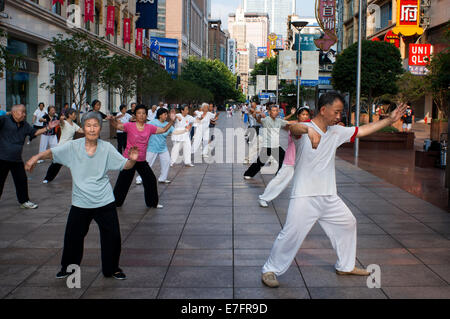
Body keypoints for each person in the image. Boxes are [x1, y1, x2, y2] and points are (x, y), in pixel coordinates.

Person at [261, 92, 408, 288]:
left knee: (348, 223)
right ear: (323, 110)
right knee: (290, 234)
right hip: (305, 195)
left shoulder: (336, 132)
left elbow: (362, 130)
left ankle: (345, 266)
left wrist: (389, 119)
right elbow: (293, 127)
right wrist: (307, 130)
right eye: (337, 112)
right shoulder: (304, 130)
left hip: (329, 196)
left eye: (341, 113)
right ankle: (270, 269)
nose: (339, 117)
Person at [25, 112, 139, 280]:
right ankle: (68, 268)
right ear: (83, 128)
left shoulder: (106, 148)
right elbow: (51, 152)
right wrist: (35, 157)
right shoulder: (73, 147)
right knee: (73, 238)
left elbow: (125, 165)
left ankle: (112, 268)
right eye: (88, 125)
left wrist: (133, 160)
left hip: (104, 201)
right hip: (80, 202)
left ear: (100, 128)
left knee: (113, 237)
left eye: (95, 125)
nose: (92, 129)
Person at [109, 105, 175, 208]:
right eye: (139, 113)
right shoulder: (129, 126)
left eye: (143, 113)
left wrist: (171, 121)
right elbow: (117, 126)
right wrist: (111, 120)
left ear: (146, 115)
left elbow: (163, 130)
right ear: (135, 115)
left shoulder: (149, 127)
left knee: (151, 180)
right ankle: (116, 203)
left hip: (141, 160)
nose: (141, 115)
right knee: (123, 182)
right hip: (129, 159)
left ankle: (152, 203)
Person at [0, 104, 59, 209]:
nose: (24, 114)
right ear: (14, 112)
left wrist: (48, 127)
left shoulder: (24, 124)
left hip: (16, 159)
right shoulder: (4, 120)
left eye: (25, 112)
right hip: (2, 158)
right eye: (22, 112)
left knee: (22, 180)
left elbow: (34, 132)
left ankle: (24, 201)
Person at [258, 106, 311, 207]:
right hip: (291, 159)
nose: (305, 117)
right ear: (298, 116)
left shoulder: (309, 126)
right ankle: (263, 198)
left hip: (303, 160)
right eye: (303, 114)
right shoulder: (295, 127)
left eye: (307, 115)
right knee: (280, 180)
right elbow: (297, 133)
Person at [244, 105, 293, 180]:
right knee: (260, 162)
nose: (275, 112)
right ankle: (248, 174)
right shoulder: (266, 119)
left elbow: (289, 122)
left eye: (276, 111)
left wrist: (302, 120)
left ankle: (279, 175)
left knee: (284, 159)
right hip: (267, 146)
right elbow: (258, 120)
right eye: (273, 110)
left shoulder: (279, 121)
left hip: (276, 145)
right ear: (269, 112)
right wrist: (260, 116)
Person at [136, 108, 178, 185]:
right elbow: (143, 129)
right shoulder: (152, 122)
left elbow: (175, 131)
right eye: (165, 114)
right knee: (147, 164)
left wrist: (185, 130)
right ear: (160, 115)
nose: (166, 116)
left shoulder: (167, 124)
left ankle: (162, 178)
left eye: (167, 114)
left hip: (163, 148)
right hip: (152, 147)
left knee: (167, 162)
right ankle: (139, 178)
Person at [42, 108, 84, 184]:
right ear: (69, 115)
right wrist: (61, 119)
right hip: (62, 147)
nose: (75, 116)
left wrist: (90, 130)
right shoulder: (64, 123)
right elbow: (61, 123)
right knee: (56, 164)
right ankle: (47, 178)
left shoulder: (74, 125)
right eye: (74, 114)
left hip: (70, 147)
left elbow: (81, 130)